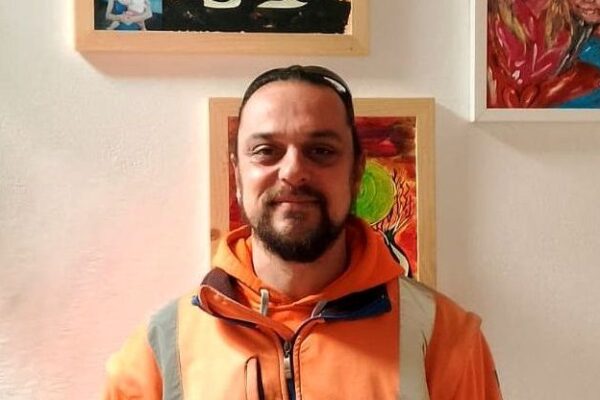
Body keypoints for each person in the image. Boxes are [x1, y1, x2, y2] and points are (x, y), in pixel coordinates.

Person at [102, 65, 503, 399]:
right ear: (237, 174)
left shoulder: (445, 336)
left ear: (356, 173)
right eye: (266, 151)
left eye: (321, 151)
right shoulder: (158, 349)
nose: (293, 171)